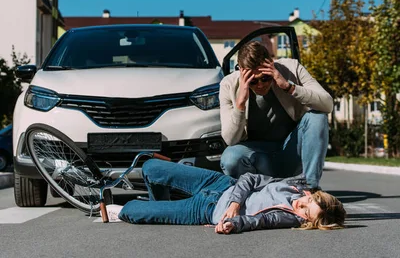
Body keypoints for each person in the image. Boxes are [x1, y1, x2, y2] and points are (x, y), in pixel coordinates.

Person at [104, 158, 345, 233]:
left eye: (305, 213)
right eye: (309, 201)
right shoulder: (295, 186)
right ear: (314, 195)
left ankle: (130, 212)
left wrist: (232, 222)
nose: (301, 206)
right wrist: (235, 201)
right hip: (220, 183)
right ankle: (161, 208)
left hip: (207, 210)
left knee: (133, 211)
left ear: (306, 221)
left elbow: (259, 221)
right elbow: (251, 178)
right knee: (151, 168)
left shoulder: (288, 217)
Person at [219, 41, 333, 189]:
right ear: (241, 71)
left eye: (265, 78)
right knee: (230, 157)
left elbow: (327, 104)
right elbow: (230, 139)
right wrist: (240, 104)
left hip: (292, 151)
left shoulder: (292, 68)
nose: (260, 85)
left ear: (271, 64)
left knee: (317, 117)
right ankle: (255, 193)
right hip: (259, 158)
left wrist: (289, 87)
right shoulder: (228, 85)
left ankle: (310, 190)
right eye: (253, 81)